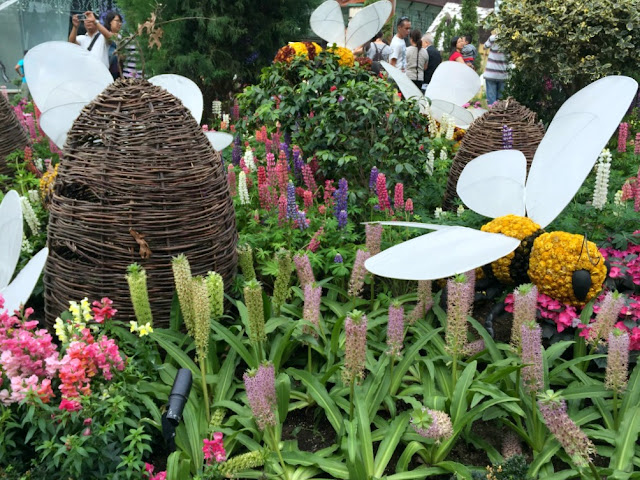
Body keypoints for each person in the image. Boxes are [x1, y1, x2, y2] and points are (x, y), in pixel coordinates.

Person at [484, 34, 508, 106]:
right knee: (501, 103)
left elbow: (484, 47)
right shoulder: (511, 40)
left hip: (490, 74)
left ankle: (491, 116)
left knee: (491, 103)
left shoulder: (493, 38)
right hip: (503, 74)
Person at [104, 11, 123, 79]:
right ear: (110, 22)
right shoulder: (104, 36)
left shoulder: (122, 37)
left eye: (120, 22)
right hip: (107, 69)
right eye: (117, 21)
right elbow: (110, 37)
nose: (119, 24)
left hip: (119, 72)